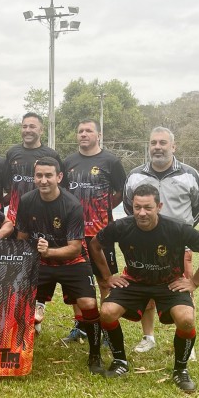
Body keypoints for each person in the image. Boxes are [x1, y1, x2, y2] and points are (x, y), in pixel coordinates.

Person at [90, 184, 199, 392]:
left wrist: (194, 282)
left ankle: (180, 370)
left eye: (148, 207)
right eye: (137, 207)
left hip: (168, 283)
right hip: (133, 282)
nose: (142, 213)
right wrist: (107, 277)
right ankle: (119, 361)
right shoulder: (122, 226)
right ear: (131, 207)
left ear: (159, 206)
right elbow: (95, 244)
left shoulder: (177, 229)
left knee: (186, 319)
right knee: (106, 312)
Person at [15, 157, 104, 375]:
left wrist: (49, 251)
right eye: (39, 175)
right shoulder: (26, 201)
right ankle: (17, 349)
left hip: (71, 261)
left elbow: (74, 248)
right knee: (17, 299)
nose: (43, 180)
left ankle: (95, 354)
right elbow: (22, 238)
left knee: (88, 303)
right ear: (33, 177)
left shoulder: (72, 204)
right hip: (40, 261)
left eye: (48, 175)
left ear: (59, 177)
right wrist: (28, 258)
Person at [124, 126, 199, 356]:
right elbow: (128, 207)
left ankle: (186, 342)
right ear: (149, 146)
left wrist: (181, 234)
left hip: (179, 248)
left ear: (173, 146)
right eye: (153, 143)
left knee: (184, 290)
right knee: (146, 290)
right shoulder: (135, 175)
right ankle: (148, 337)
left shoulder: (190, 175)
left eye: (163, 143)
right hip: (143, 246)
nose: (157, 147)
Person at [61, 119, 127, 343]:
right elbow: (63, 194)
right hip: (73, 233)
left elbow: (120, 192)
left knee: (105, 280)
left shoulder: (111, 161)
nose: (83, 134)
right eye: (80, 131)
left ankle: (108, 327)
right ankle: (80, 326)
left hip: (101, 232)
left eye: (89, 131)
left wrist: (102, 210)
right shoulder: (68, 161)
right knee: (75, 280)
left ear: (98, 135)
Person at [4, 112, 64, 226]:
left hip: (43, 215)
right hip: (14, 217)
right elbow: (7, 184)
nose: (27, 130)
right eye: (24, 126)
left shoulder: (51, 155)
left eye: (32, 126)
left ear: (41, 130)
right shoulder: (12, 153)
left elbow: (60, 186)